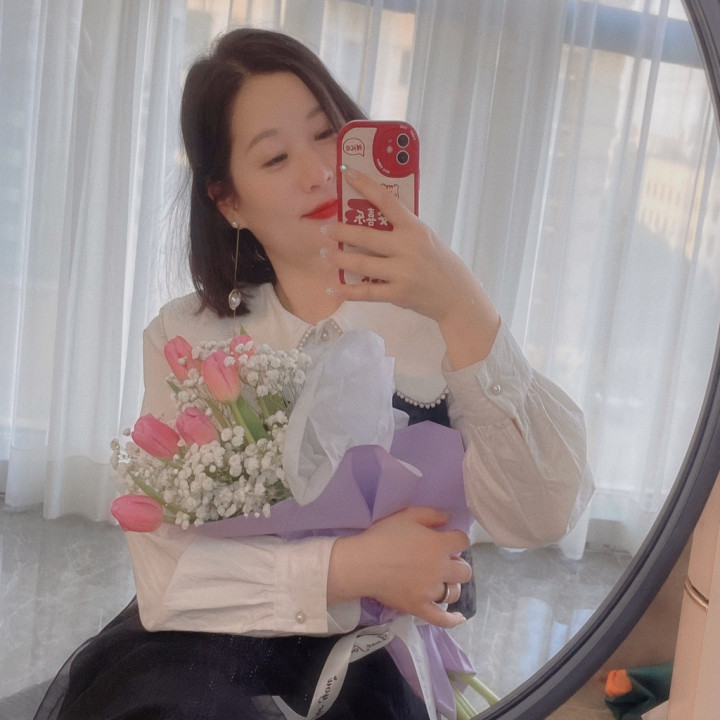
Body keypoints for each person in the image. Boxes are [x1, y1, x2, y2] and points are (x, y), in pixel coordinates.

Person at [35, 27, 592, 720]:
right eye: (275, 157)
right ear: (229, 201)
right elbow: (168, 569)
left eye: (329, 134)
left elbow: (540, 514)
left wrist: (463, 307)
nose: (318, 172)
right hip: (198, 658)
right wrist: (350, 568)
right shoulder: (187, 337)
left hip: (370, 666)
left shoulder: (438, 320)